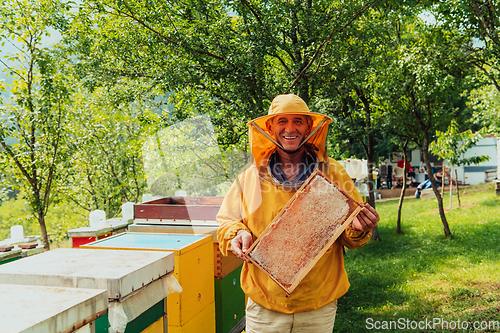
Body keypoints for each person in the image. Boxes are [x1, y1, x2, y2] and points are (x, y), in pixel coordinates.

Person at [216, 94, 379, 333]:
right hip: (265, 306)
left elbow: (349, 236)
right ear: (270, 128)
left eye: (298, 121)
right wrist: (237, 234)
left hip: (317, 305)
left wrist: (359, 228)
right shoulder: (250, 177)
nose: (289, 128)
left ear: (308, 127)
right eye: (282, 121)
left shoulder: (333, 173)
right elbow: (226, 223)